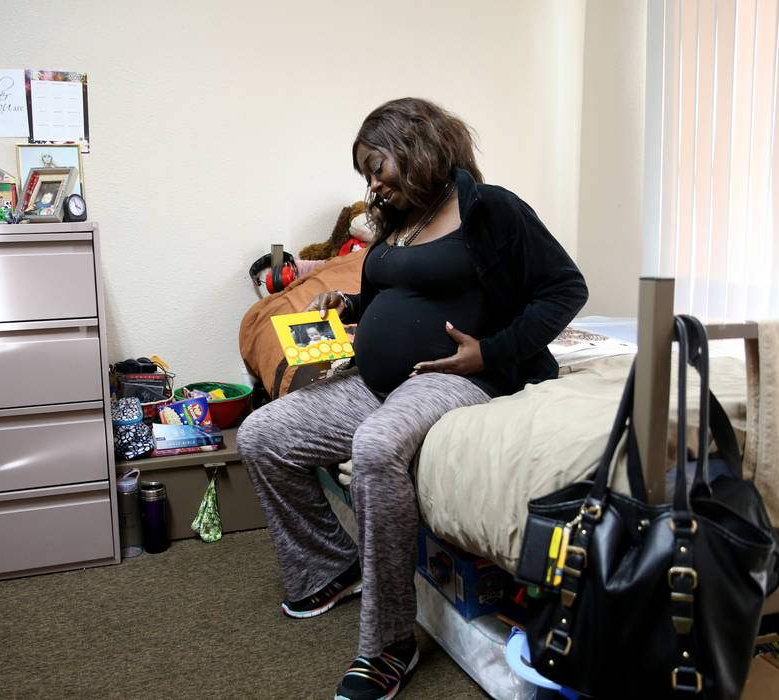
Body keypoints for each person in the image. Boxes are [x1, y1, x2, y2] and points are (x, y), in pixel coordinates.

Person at [237, 97, 588, 700]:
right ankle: (330, 569)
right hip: (378, 382)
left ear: (416, 149)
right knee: (262, 435)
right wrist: (349, 308)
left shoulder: (491, 209)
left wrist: (493, 350)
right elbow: (389, 297)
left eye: (378, 166)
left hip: (457, 378)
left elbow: (565, 289)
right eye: (365, 173)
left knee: (375, 447)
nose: (373, 183)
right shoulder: (398, 225)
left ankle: (389, 645)